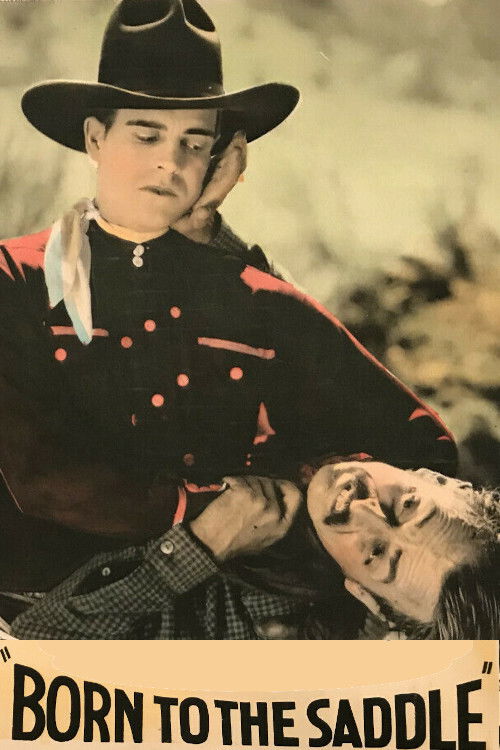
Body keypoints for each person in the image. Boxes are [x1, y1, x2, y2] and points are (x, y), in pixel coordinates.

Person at [0, 0, 455, 619]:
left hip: (222, 620)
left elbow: (422, 446)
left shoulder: (251, 296)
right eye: (146, 135)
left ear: (220, 160)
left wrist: (292, 492)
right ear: (94, 138)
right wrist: (206, 511)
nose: (170, 162)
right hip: (38, 619)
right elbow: (36, 478)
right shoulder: (17, 279)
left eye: (195, 142)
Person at [9, 461, 499, 639]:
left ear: (366, 597)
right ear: (435, 479)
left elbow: (34, 656)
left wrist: (205, 544)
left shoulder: (264, 640)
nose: (361, 508)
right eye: (408, 504)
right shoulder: (397, 424)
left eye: (374, 554)